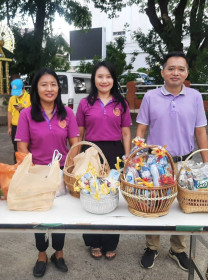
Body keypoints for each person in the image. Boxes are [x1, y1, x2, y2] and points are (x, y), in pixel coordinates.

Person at [136, 51, 208, 271]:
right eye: (171, 68)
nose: (175, 72)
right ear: (163, 72)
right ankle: (152, 246)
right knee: (154, 206)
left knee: (183, 207)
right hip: (154, 164)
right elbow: (141, 129)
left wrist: (206, 165)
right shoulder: (150, 97)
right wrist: (138, 159)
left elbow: (201, 132)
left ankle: (177, 249)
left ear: (187, 72)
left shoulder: (195, 97)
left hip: (184, 162)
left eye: (181, 68)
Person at [15, 68, 79, 277]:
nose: (49, 89)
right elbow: (22, 147)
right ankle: (42, 254)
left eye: (53, 84)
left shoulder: (67, 113)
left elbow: (75, 144)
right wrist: (32, 171)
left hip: (61, 173)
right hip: (37, 173)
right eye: (44, 84)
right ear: (36, 88)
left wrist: (68, 169)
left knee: (61, 215)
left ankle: (58, 253)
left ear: (58, 88)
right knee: (39, 215)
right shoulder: (26, 114)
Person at [75, 61, 132, 260]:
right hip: (91, 153)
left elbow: (126, 132)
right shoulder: (84, 103)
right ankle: (94, 241)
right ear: (94, 79)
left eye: (108, 76)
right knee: (91, 195)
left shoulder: (121, 103)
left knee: (111, 195)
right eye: (100, 76)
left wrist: (128, 157)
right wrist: (76, 158)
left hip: (114, 153)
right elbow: (79, 133)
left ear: (114, 79)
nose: (104, 80)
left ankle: (110, 242)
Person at [7, 79, 30, 162]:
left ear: (23, 89)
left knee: (27, 147)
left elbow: (33, 113)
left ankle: (27, 165)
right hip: (15, 127)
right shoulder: (12, 98)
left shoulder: (30, 98)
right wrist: (9, 127)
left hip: (27, 127)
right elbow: (9, 113)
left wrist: (22, 109)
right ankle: (17, 165)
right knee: (16, 148)